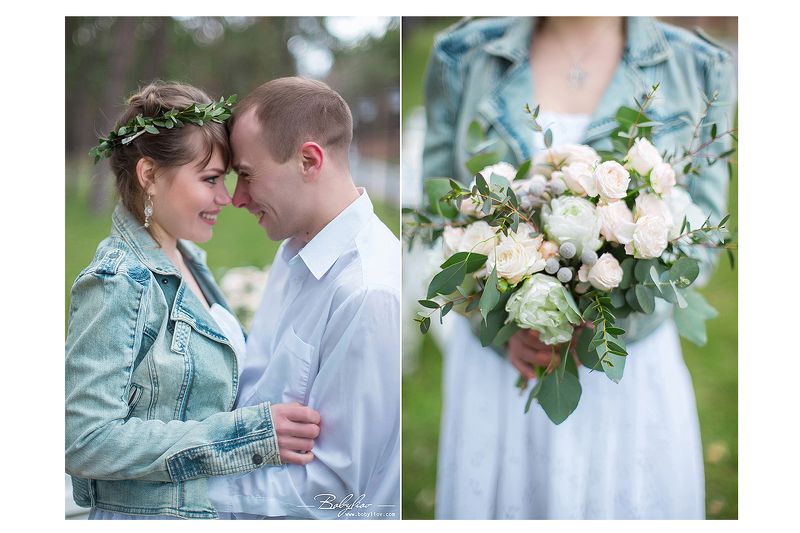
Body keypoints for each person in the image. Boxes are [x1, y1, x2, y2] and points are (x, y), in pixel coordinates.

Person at [423, 17, 735, 519]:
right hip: (501, 370)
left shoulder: (698, 65)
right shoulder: (463, 56)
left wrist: (603, 325)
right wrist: (500, 326)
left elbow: (705, 237)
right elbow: (433, 213)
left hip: (623, 369)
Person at [65, 81, 322, 520]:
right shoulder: (119, 281)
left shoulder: (189, 258)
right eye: (209, 180)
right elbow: (87, 440)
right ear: (149, 175)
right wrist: (246, 437)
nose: (226, 198)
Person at [206, 77, 401, 520]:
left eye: (248, 175)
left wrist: (182, 490)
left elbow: (333, 493)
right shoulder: (292, 250)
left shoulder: (366, 295)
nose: (237, 198)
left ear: (309, 160)